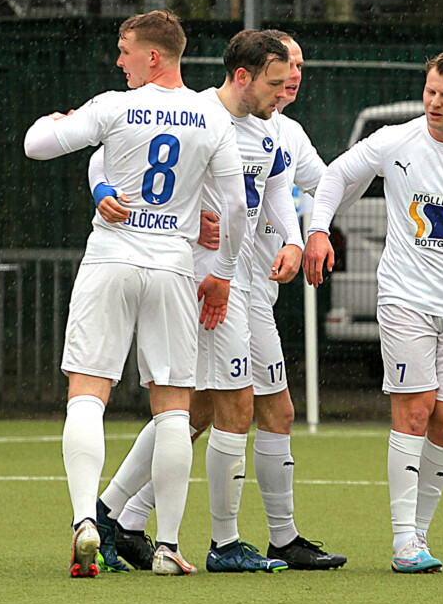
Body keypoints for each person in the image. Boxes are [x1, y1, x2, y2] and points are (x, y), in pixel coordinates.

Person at [107, 31, 347, 571]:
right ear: (247, 76)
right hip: (207, 282)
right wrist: (191, 224)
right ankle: (205, 538)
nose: (291, 82)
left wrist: (300, 235)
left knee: (229, 410)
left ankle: (122, 517)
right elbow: (127, 169)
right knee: (217, 408)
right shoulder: (197, 116)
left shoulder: (276, 131)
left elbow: (299, 186)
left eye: (296, 72)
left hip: (250, 286)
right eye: (282, 74)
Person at [22, 10, 247, 578]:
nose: (118, 60)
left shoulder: (113, 107)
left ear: (153, 56)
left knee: (87, 395)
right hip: (172, 265)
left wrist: (59, 119)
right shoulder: (211, 116)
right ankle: (169, 547)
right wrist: (220, 270)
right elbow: (236, 207)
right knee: (173, 407)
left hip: (111, 260)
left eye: (125, 50)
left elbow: (35, 145)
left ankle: (84, 521)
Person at [303, 50, 443, 573]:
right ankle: (404, 540)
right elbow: (335, 176)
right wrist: (316, 229)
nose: (434, 102)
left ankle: (420, 533)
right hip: (404, 299)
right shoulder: (395, 140)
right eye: (430, 91)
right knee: (416, 410)